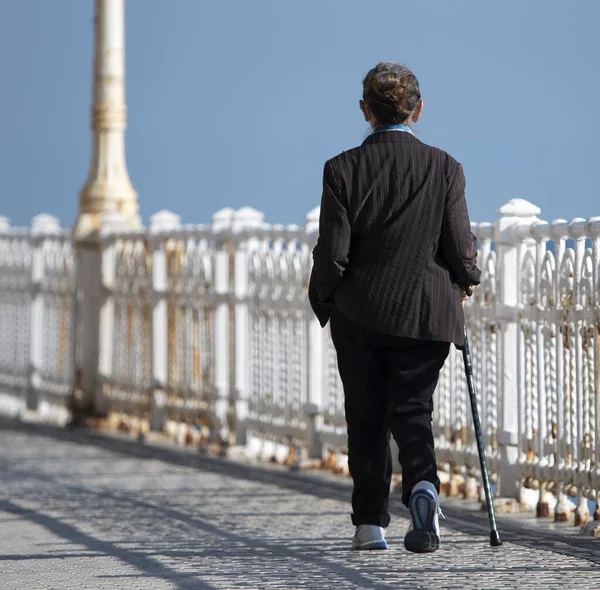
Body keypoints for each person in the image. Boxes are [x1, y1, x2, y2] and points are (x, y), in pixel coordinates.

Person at [308, 62, 481, 554]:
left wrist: (323, 298)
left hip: (360, 313)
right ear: (418, 109)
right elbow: (460, 247)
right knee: (412, 410)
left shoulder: (341, 169)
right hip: (427, 314)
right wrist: (468, 278)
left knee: (365, 416)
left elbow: (333, 253)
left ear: (365, 110)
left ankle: (369, 524)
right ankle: (422, 487)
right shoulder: (446, 167)